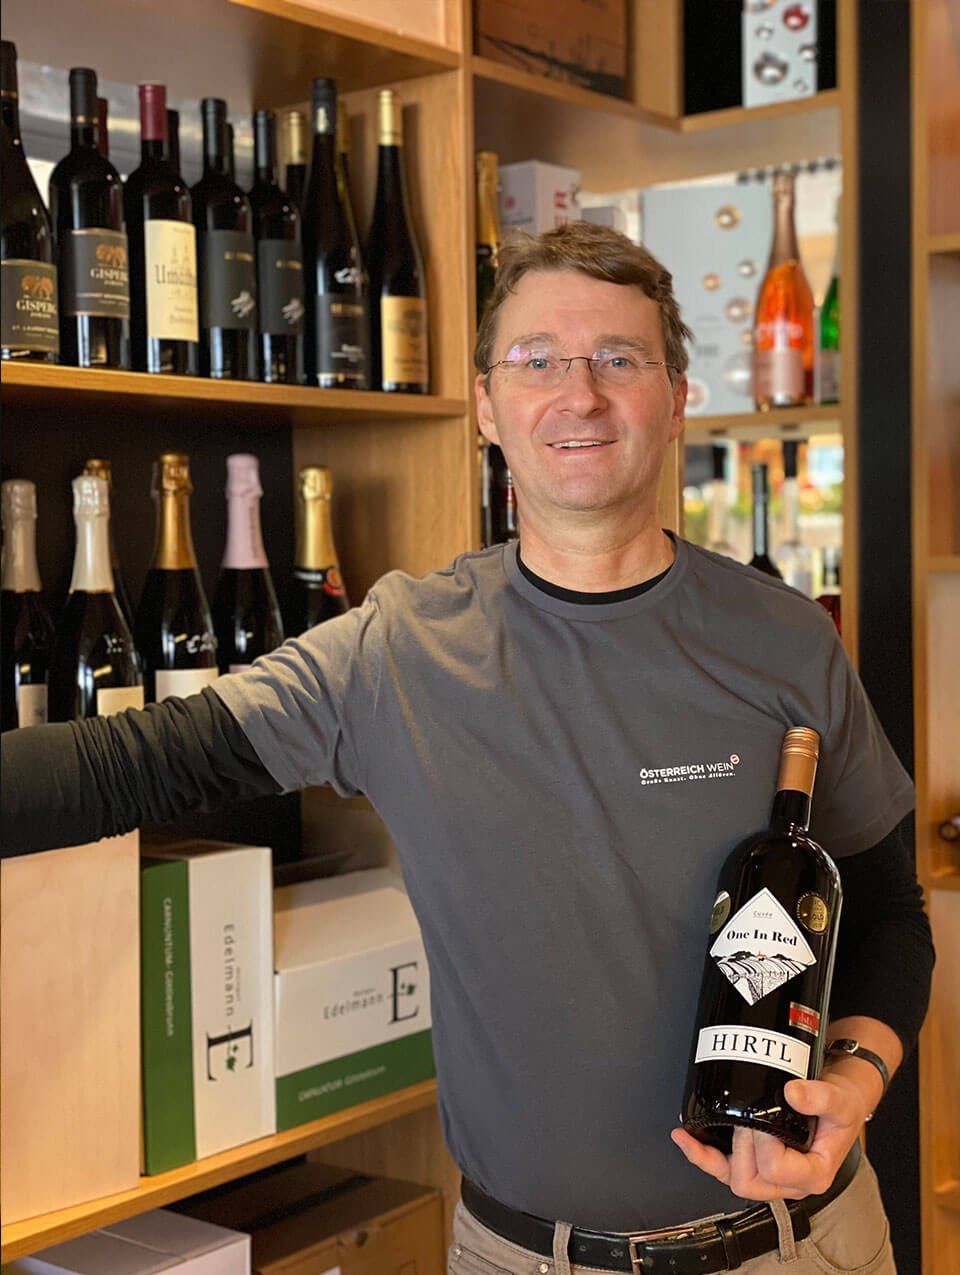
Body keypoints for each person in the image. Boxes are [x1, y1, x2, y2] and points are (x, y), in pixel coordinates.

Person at [2, 222, 933, 1275]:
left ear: (676, 398)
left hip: (796, 1248)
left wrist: (855, 1076)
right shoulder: (397, 653)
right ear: (487, 405)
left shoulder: (784, 640)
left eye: (619, 358)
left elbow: (890, 915)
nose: (579, 395)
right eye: (536, 359)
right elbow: (130, 762)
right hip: (517, 1256)